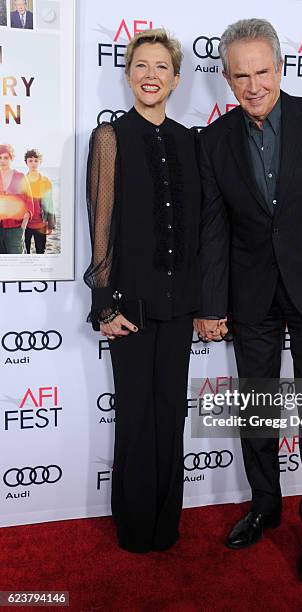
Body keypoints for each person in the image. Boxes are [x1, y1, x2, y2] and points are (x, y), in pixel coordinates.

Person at [195, 19, 302, 586]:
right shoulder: (213, 140)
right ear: (226, 76)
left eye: (262, 72)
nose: (253, 86)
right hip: (250, 295)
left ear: (280, 67)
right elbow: (215, 230)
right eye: (240, 75)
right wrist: (212, 303)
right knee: (258, 410)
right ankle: (266, 505)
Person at [84, 29, 201, 553]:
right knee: (134, 417)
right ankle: (135, 530)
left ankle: (165, 525)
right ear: (128, 74)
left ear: (175, 79)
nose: (150, 75)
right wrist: (102, 304)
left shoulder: (189, 141)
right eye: (140, 65)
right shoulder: (110, 137)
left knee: (168, 417)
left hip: (179, 307)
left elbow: (196, 230)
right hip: (127, 307)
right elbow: (101, 226)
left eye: (161, 67)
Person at [0, 143, 33, 253]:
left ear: (11, 158)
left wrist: (22, 227)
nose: (2, 161)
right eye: (0, 158)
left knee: (16, 261)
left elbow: (29, 202)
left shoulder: (20, 177)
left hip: (15, 228)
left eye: (6, 157)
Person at [24, 149, 55, 254]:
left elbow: (50, 203)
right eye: (30, 160)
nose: (33, 163)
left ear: (40, 162)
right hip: (25, 224)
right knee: (25, 251)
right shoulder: (22, 180)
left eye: (36, 160)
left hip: (41, 223)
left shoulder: (45, 181)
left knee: (40, 251)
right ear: (26, 162)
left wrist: (51, 224)